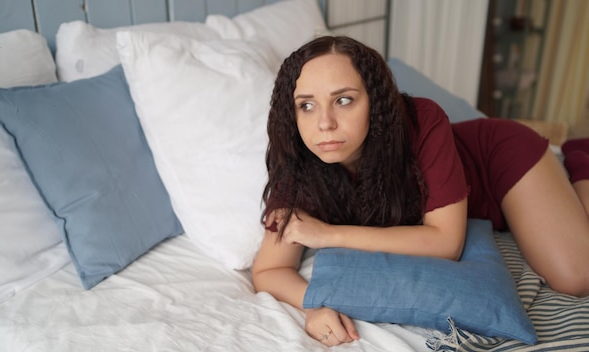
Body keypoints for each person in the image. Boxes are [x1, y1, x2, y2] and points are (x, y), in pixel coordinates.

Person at [251, 35, 589, 347]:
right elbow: (269, 271)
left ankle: (580, 159)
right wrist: (313, 306)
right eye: (306, 105)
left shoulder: (424, 120)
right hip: (471, 200)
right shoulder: (298, 159)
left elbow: (446, 243)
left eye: (343, 100)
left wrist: (328, 234)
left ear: (375, 101)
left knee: (576, 278)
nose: (325, 123)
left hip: (497, 163)